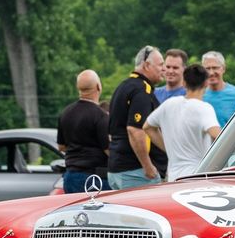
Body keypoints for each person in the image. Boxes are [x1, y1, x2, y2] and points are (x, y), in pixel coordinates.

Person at [144, 63, 221, 181]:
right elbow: (218, 136)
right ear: (206, 83)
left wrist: (168, 148)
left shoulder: (169, 104)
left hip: (173, 177)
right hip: (198, 176)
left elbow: (147, 127)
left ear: (184, 83)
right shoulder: (204, 108)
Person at [107, 45, 167, 189]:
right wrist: (147, 166)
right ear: (147, 65)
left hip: (118, 169)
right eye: (160, 64)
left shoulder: (123, 86)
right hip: (136, 172)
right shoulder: (141, 90)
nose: (164, 69)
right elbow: (134, 130)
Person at [56, 69, 110, 194]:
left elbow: (61, 146)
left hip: (70, 177)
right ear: (98, 86)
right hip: (94, 178)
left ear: (78, 88)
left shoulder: (65, 113)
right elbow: (109, 150)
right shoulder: (101, 116)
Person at [201, 50, 235, 127]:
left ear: (223, 68)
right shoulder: (199, 96)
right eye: (207, 68)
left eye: (215, 68)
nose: (211, 73)